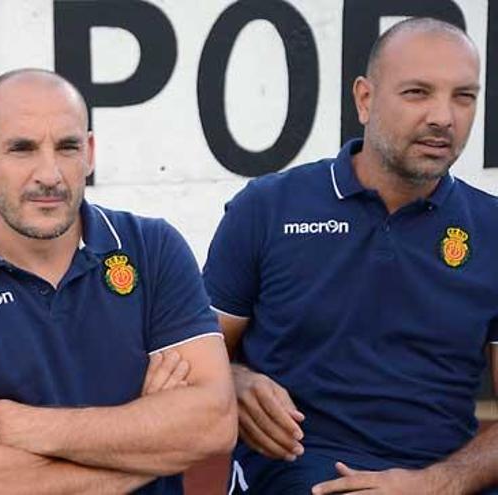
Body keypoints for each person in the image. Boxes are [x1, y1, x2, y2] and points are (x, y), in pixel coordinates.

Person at [0, 68, 236, 494]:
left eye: (67, 147)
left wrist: (32, 427)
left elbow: (213, 424)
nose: (49, 174)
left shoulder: (152, 248)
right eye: (22, 149)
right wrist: (153, 442)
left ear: (88, 151)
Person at [202, 17, 498, 494]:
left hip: (441, 478)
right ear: (364, 98)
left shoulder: (492, 228)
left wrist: (438, 483)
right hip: (300, 472)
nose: (443, 116)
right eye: (418, 93)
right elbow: (195, 356)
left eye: (463, 97)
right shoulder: (269, 207)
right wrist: (232, 382)